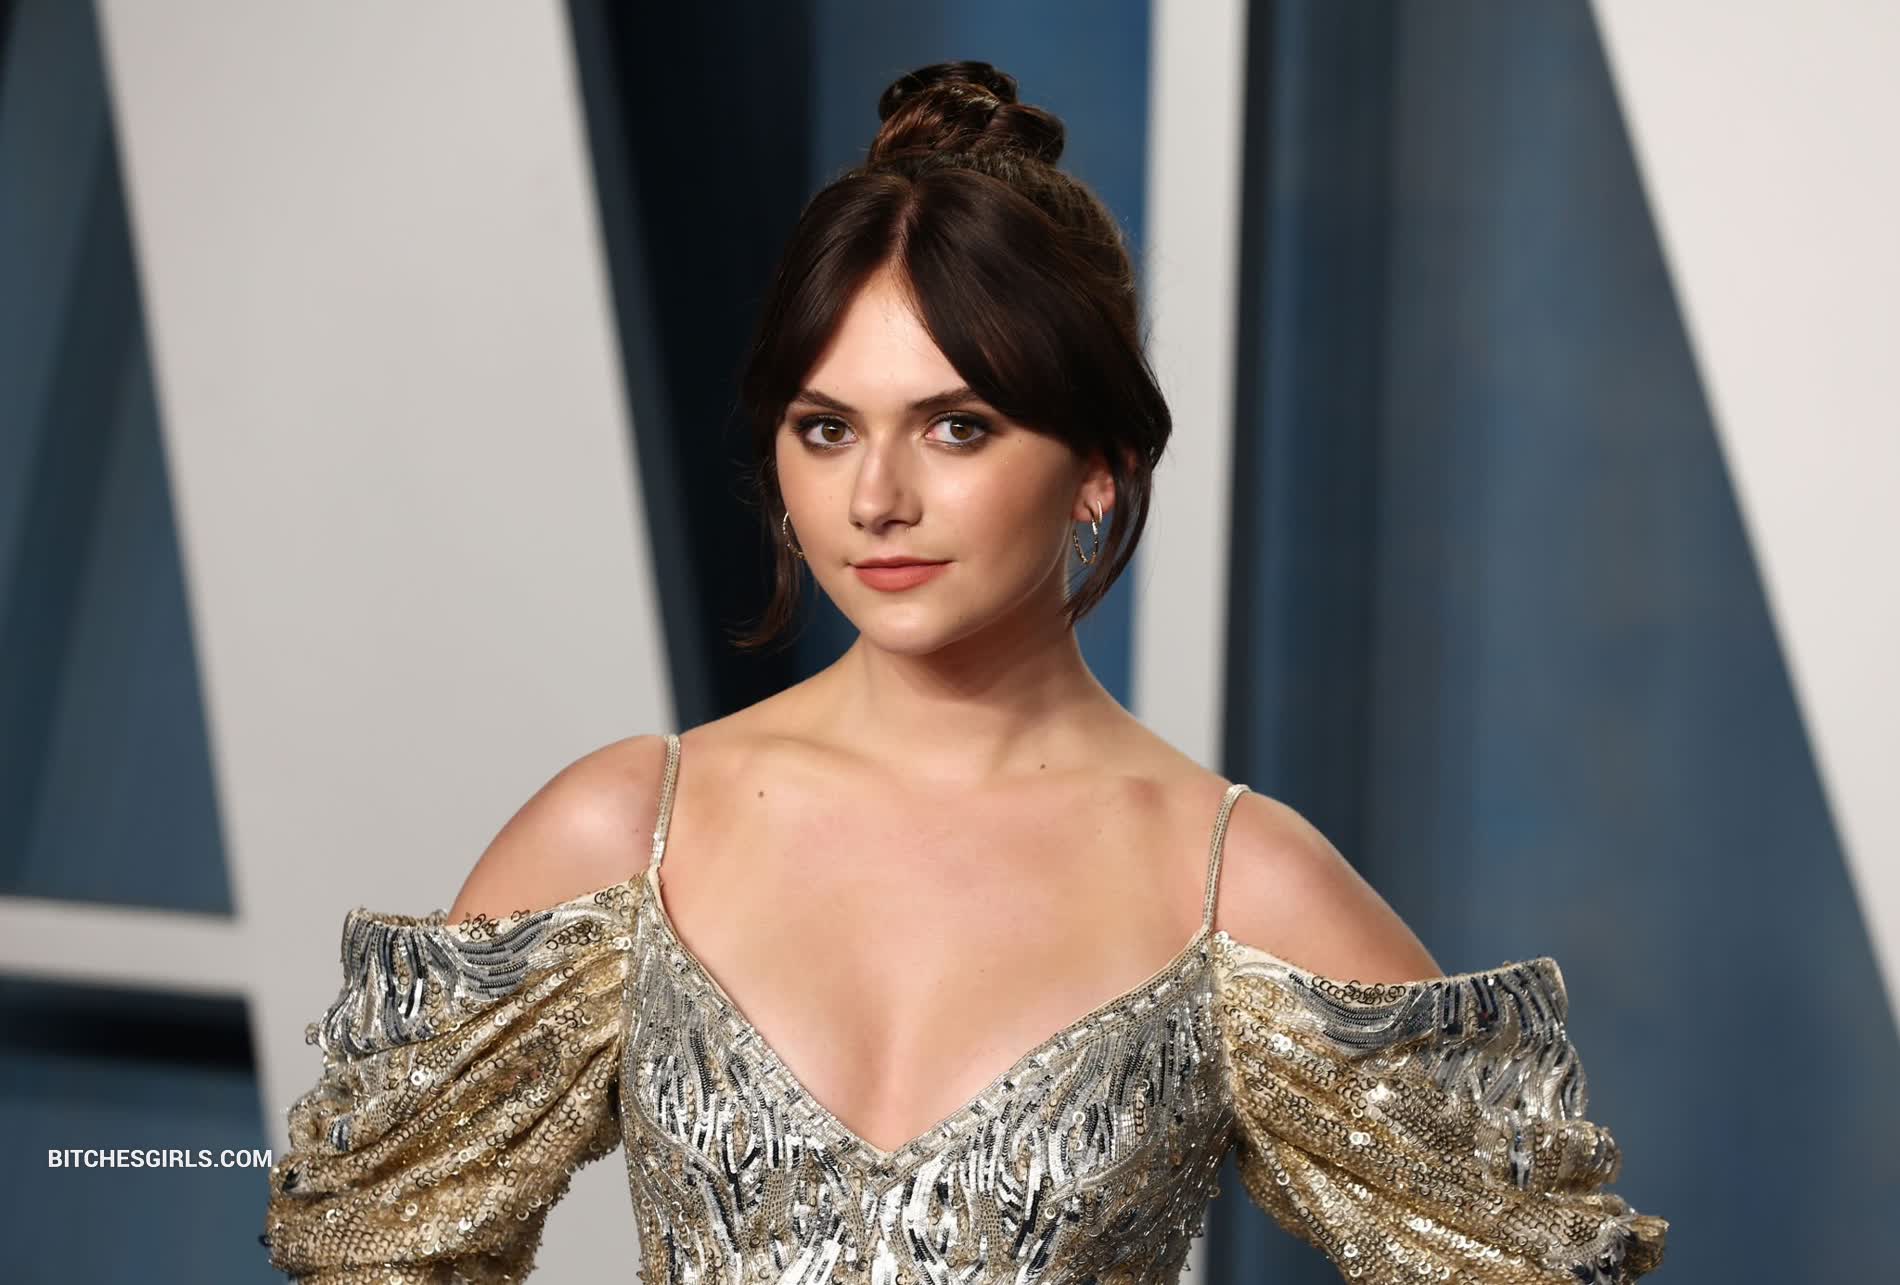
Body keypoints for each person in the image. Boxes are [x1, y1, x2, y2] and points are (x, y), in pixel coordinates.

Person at [261, 60, 1667, 1284]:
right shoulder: (628, 833)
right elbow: (374, 1244)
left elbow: (1528, 1256)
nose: (876, 498)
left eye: (958, 426)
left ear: (1100, 468)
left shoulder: (1233, 887)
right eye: (826, 428)